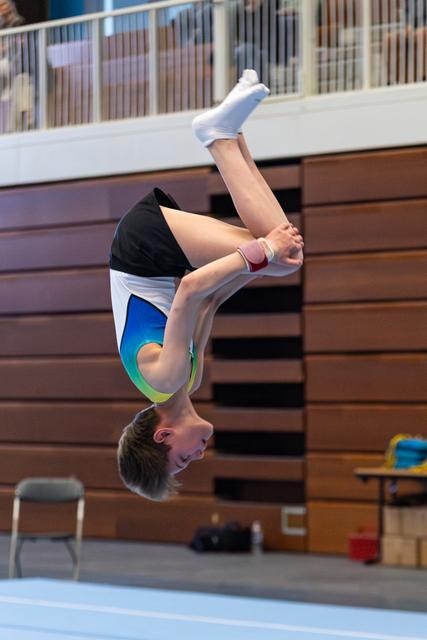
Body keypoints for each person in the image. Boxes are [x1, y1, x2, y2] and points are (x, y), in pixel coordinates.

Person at [110, 69, 304, 501]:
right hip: (154, 259)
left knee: (281, 255)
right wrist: (260, 259)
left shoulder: (163, 377)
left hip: (142, 249)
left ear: (163, 437)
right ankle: (231, 136)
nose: (197, 455)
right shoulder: (188, 381)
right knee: (282, 254)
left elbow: (191, 289)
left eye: (182, 459)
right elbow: (211, 300)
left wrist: (266, 255)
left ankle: (219, 135)